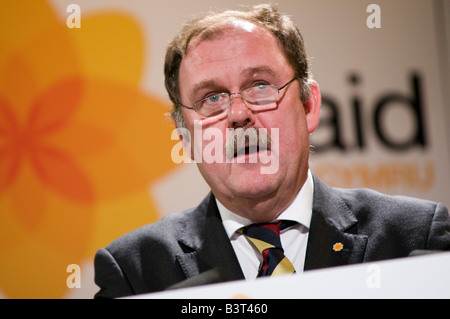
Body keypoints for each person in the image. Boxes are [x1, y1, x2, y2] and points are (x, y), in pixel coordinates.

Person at [93, 4, 450, 298]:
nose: (237, 114)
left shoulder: (414, 239)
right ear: (184, 136)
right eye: (211, 98)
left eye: (260, 85)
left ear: (309, 106)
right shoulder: (136, 273)